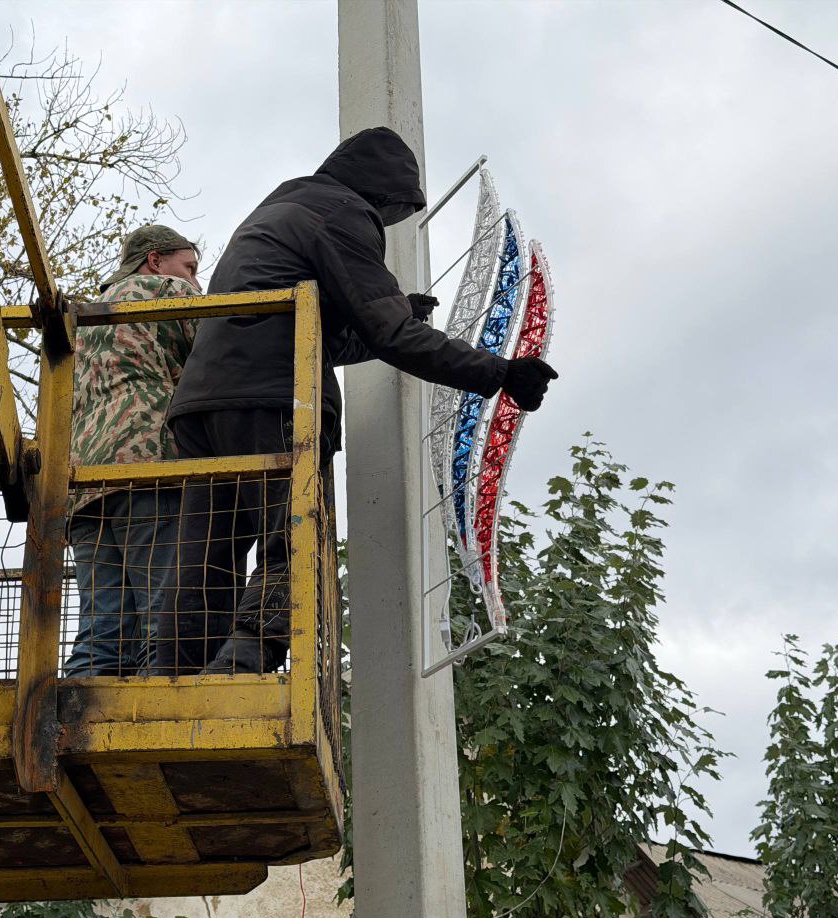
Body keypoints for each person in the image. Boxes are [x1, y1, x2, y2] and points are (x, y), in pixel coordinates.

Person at [149, 126, 558, 675]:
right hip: (274, 401)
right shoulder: (344, 213)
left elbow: (325, 335)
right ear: (381, 190)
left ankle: (172, 678)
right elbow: (392, 336)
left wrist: (395, 310)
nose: (386, 223)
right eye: (391, 213)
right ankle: (243, 666)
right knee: (290, 537)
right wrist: (501, 371)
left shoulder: (282, 209)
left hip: (202, 405)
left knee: (206, 554)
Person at [63, 225, 203, 677]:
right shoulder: (165, 290)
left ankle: (78, 718)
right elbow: (220, 351)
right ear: (156, 261)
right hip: (147, 471)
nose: (195, 281)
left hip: (83, 486)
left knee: (101, 633)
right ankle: (157, 719)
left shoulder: (83, 319)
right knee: (161, 621)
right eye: (189, 267)